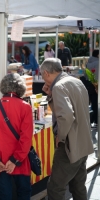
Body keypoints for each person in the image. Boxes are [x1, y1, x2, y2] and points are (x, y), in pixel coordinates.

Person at [41, 58, 94, 200]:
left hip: (70, 144)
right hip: (83, 142)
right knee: (78, 186)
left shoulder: (59, 86)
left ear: (46, 73)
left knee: (55, 187)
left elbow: (66, 116)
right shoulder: (76, 81)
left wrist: (60, 136)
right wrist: (51, 94)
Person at [0, 73, 33, 200]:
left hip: (0, 161)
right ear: (20, 88)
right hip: (20, 160)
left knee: (4, 195)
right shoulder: (25, 107)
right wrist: (15, 160)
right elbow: (26, 138)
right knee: (24, 193)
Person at [86, 49, 99, 125]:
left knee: (93, 103)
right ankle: (96, 120)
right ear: (98, 55)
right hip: (96, 85)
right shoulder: (98, 63)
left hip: (89, 85)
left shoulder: (88, 62)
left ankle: (92, 120)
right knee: (96, 103)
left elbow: (85, 75)